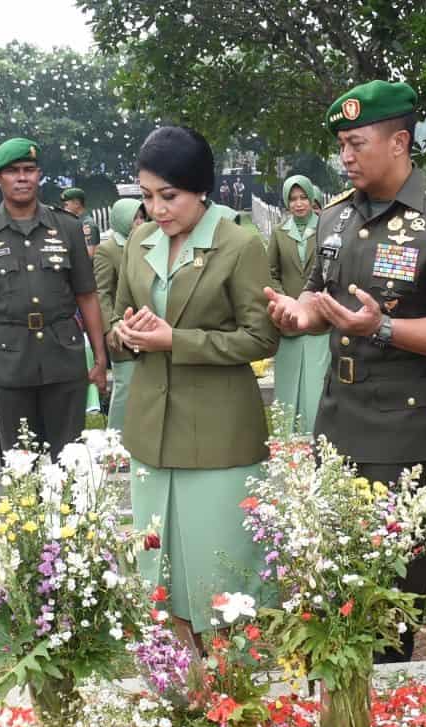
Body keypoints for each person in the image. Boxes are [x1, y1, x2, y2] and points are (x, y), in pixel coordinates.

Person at [265, 80, 426, 662]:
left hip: (400, 421)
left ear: (399, 142)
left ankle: (389, 673)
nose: (345, 156)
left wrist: (383, 328)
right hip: (338, 411)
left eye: (356, 143)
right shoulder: (335, 218)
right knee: (336, 545)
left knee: (393, 558)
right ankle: (341, 666)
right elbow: (321, 297)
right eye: (341, 144)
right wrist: (297, 314)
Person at [112, 126, 279, 639]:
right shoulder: (140, 241)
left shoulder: (238, 244)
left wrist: (176, 342)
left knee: (221, 563)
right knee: (157, 567)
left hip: (217, 434)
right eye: (146, 197)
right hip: (150, 432)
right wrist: (125, 335)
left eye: (170, 196)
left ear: (200, 188)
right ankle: (178, 669)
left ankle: (235, 676)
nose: (158, 210)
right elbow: (119, 323)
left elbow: (261, 338)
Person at [0, 138, 109, 457]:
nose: (22, 177)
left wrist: (99, 356)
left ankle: (67, 510)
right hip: (8, 360)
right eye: (12, 171)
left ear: (39, 174)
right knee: (19, 460)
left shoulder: (67, 227)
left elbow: (87, 295)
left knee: (69, 457)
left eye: (29, 169)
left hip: (63, 355)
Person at [267, 174, 328, 432]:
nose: (299, 203)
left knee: (317, 382)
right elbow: (270, 272)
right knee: (289, 382)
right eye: (293, 199)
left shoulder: (326, 227)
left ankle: (319, 435)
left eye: (303, 197)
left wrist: (316, 301)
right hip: (288, 322)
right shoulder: (280, 233)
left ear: (312, 198)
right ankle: (289, 438)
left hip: (320, 319)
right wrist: (286, 301)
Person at [93, 197, 145, 431]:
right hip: (121, 331)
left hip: (147, 327)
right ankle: (116, 440)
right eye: (135, 218)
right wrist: (110, 328)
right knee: (125, 388)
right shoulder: (108, 250)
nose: (140, 222)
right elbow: (101, 293)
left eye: (142, 217)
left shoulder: (149, 242)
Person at [60, 187, 99, 258]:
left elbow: (89, 254)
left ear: (77, 203)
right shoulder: (75, 221)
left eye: (66, 205)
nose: (64, 208)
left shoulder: (87, 224)